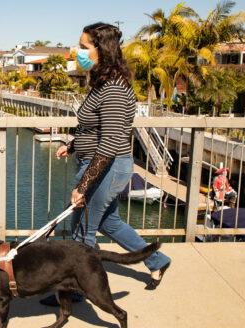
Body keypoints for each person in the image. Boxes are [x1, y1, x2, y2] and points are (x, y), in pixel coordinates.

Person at [40, 23, 171, 306]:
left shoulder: (112, 89)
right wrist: (73, 144)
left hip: (106, 167)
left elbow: (111, 142)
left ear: (103, 49)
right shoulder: (103, 83)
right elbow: (96, 129)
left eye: (84, 47)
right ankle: (158, 260)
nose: (79, 51)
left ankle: (74, 291)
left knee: (80, 231)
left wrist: (84, 185)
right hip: (101, 164)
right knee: (110, 223)